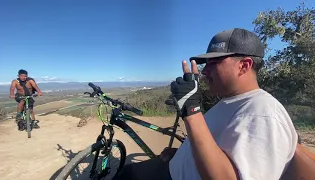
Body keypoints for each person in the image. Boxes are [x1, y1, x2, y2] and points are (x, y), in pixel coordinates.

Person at [114, 28, 298, 180]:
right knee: (126, 173)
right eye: (206, 64)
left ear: (244, 65)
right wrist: (182, 154)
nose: (204, 72)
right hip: (172, 167)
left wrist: (191, 110)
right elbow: (218, 148)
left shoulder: (263, 113)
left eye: (214, 62)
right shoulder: (231, 100)